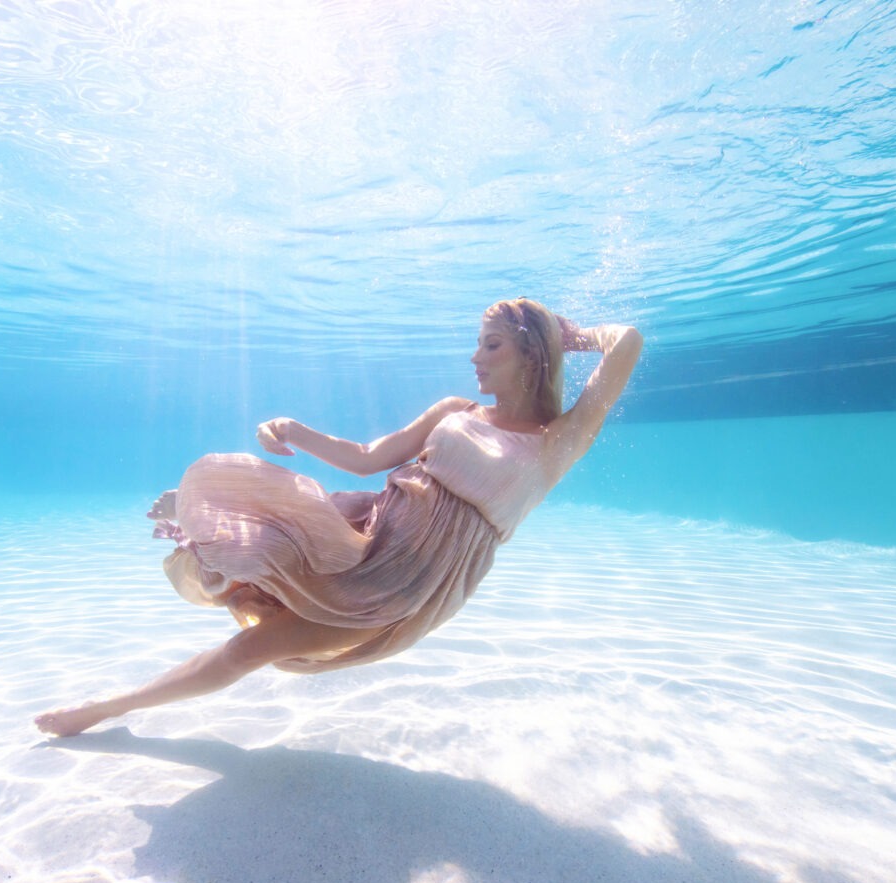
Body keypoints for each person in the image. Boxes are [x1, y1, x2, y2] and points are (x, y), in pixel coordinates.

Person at [34, 298, 643, 737]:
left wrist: (573, 336)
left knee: (254, 650)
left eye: (491, 343)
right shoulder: (457, 410)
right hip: (364, 531)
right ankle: (110, 701)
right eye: (478, 342)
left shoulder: (557, 441)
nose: (474, 357)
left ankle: (185, 557)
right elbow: (369, 459)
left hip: (409, 584)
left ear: (532, 351)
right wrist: (295, 429)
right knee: (254, 587)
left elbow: (629, 341)